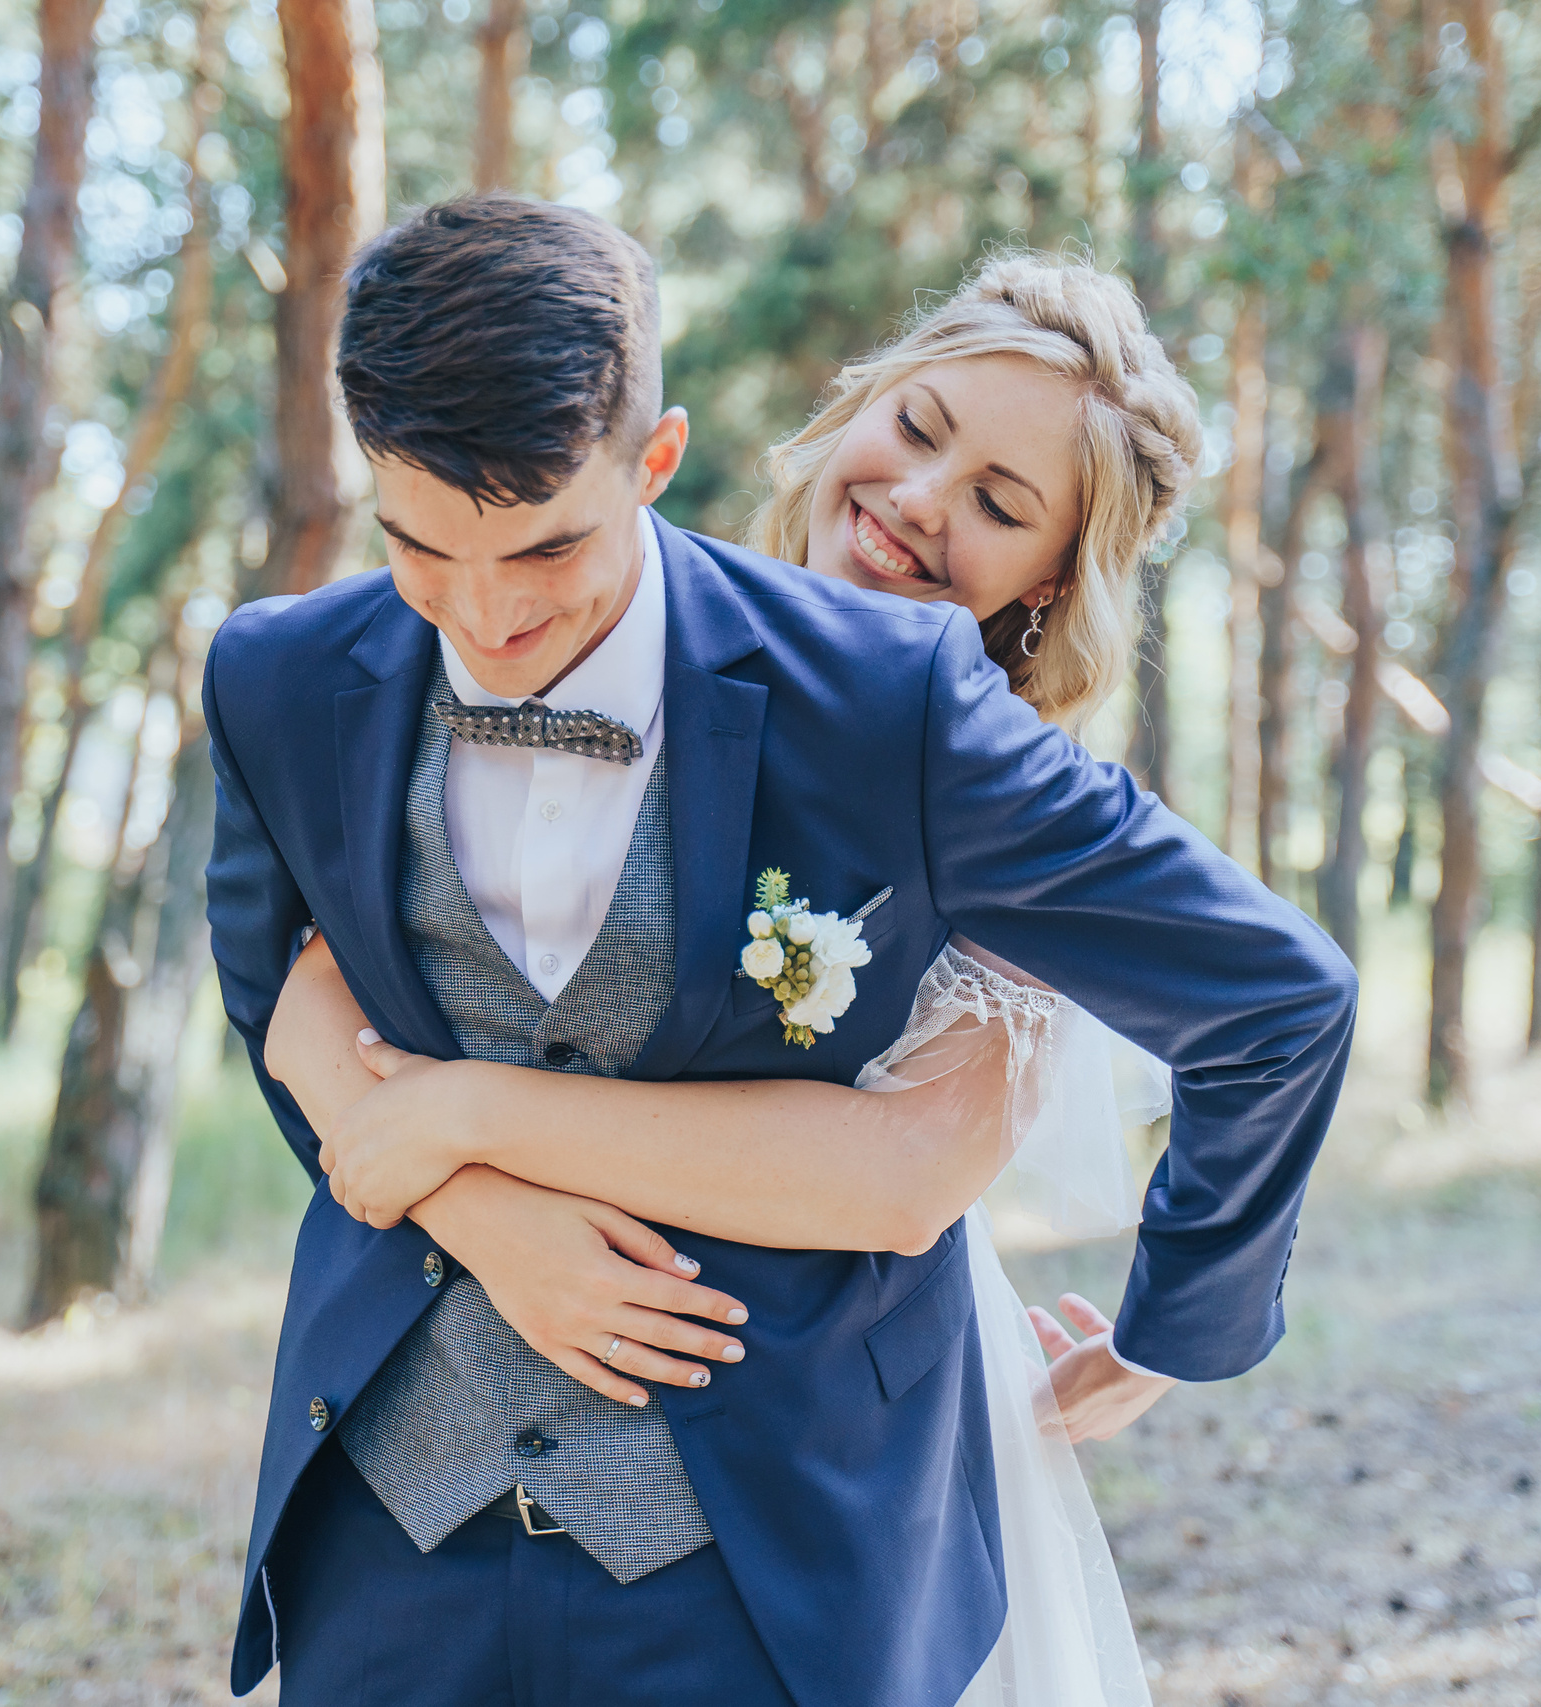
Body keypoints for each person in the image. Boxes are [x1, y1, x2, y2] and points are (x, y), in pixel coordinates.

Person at [201, 196, 1356, 1707]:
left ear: (652, 461)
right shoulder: (282, 674)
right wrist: (484, 1215)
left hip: (754, 1555)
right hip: (387, 1524)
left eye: (544, 552)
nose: (483, 618)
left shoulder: (915, 710)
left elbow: (1234, 1018)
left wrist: (1177, 1324)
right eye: (422, 548)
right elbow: (279, 991)